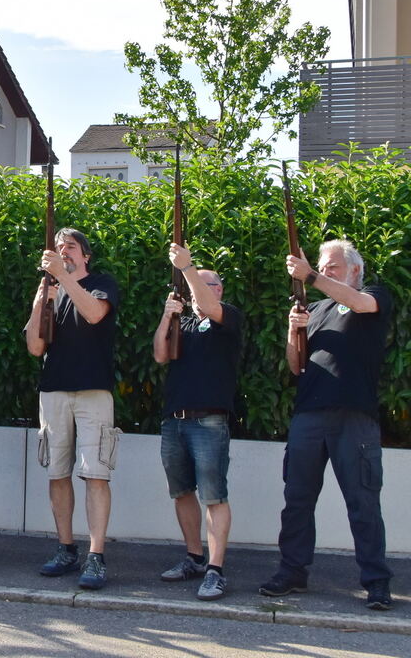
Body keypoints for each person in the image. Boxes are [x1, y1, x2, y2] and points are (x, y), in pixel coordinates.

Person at [260, 239, 394, 610]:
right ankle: (292, 572)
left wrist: (311, 276)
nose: (325, 271)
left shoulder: (373, 295)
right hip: (308, 415)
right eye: (321, 266)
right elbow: (295, 365)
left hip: (354, 416)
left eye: (332, 266)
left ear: (355, 269)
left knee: (362, 503)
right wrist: (293, 331)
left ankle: (377, 582)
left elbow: (360, 304)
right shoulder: (315, 309)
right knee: (297, 500)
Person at [24, 227, 119, 590]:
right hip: (53, 391)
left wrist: (62, 277)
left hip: (94, 390)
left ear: (85, 255)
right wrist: (41, 298)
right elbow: (35, 347)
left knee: (96, 473)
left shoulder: (101, 283)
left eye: (71, 247)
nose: (63, 251)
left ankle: (96, 556)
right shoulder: (51, 289)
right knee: (57, 473)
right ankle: (66, 549)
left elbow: (94, 314)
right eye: (58, 247)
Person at [150, 244, 239, 601]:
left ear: (218, 289)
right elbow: (160, 354)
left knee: (214, 496)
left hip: (210, 421)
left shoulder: (228, 317)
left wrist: (187, 269)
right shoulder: (182, 323)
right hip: (175, 420)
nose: (194, 292)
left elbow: (211, 307)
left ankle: (216, 570)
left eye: (204, 284)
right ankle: (194, 557)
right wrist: (167, 316)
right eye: (191, 287)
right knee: (182, 491)